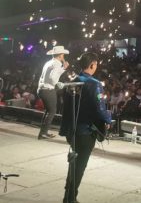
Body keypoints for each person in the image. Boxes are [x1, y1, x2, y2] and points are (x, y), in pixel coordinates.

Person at [59, 52, 111, 203]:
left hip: (71, 130)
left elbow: (66, 107)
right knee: (80, 165)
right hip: (86, 131)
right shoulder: (94, 84)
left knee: (74, 163)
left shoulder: (73, 81)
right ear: (92, 65)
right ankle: (70, 198)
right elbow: (99, 108)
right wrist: (108, 119)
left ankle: (68, 196)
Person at [37, 45, 70, 139]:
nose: (63, 56)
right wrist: (57, 83)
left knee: (48, 111)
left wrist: (63, 68)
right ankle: (43, 133)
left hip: (41, 89)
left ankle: (43, 132)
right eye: (63, 54)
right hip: (48, 89)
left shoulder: (49, 62)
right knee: (52, 111)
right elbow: (53, 78)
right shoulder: (57, 63)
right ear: (60, 55)